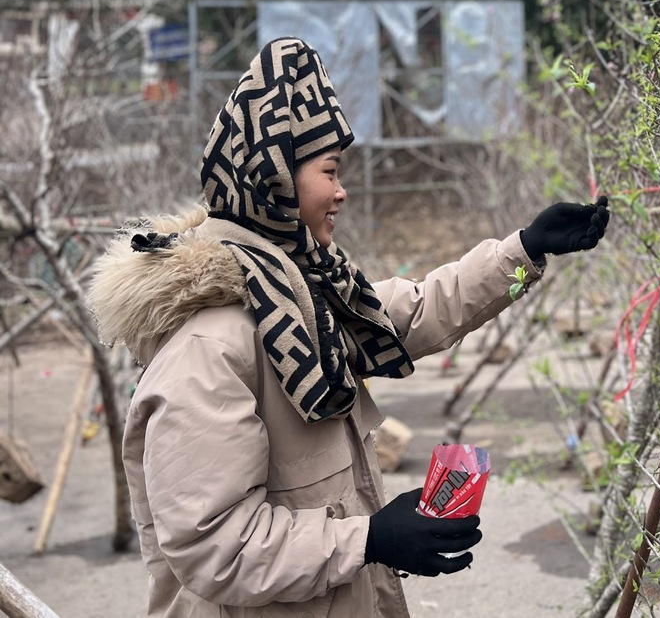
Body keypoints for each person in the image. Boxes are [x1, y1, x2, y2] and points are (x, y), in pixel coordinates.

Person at [87, 37, 610, 618]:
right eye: (329, 171)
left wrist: (523, 249)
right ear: (274, 181)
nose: (341, 192)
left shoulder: (297, 295)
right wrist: (369, 539)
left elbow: (403, 314)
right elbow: (214, 546)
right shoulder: (210, 346)